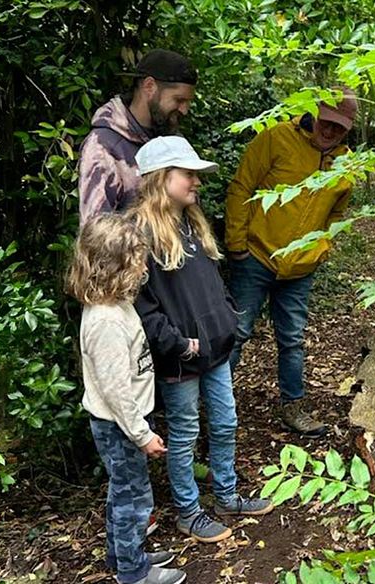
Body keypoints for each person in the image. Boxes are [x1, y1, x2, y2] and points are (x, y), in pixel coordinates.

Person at [129, 136, 274, 543]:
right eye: (188, 173)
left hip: (216, 349)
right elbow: (142, 304)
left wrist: (227, 317)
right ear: (161, 178)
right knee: (185, 433)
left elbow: (210, 282)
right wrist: (177, 344)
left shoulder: (191, 221)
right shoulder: (139, 233)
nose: (197, 182)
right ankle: (188, 512)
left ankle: (226, 496)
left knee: (226, 421)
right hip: (181, 358)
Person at [224, 88, 359, 438]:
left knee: (292, 339)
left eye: (339, 128)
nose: (330, 131)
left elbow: (338, 212)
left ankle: (293, 406)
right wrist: (237, 244)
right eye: (327, 123)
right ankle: (214, 405)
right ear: (315, 115)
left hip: (300, 266)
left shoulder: (346, 164)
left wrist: (322, 248)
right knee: (236, 333)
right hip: (255, 255)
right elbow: (242, 188)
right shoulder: (276, 138)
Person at [66, 213, 185, 584]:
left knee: (124, 493)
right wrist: (141, 433)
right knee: (134, 498)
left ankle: (124, 556)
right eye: (136, 259)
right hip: (120, 426)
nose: (143, 266)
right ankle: (133, 573)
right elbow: (117, 389)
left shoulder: (114, 306)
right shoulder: (106, 322)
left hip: (123, 423)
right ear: (113, 264)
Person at [78, 49, 197, 224]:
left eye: (188, 102)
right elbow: (95, 233)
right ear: (149, 86)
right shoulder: (104, 146)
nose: (184, 110)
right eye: (179, 100)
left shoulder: (172, 139)